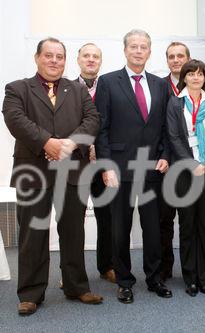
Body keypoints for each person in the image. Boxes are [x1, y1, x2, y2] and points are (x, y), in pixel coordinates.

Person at [2, 37, 103, 316]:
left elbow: (92, 120)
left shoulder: (78, 91)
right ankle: (31, 293)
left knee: (73, 231)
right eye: (49, 55)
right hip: (33, 171)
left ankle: (76, 287)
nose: (54, 61)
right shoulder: (17, 89)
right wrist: (48, 143)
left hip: (72, 170)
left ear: (65, 61)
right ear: (37, 58)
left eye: (60, 56)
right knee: (32, 232)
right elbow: (15, 119)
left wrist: (68, 145)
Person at [94, 29, 171, 304]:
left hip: (152, 168)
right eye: (134, 47)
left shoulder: (161, 85)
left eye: (143, 47)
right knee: (120, 228)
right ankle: (124, 281)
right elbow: (100, 129)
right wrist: (105, 166)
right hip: (119, 169)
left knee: (153, 228)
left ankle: (154, 279)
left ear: (149, 52)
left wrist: (165, 154)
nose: (138, 51)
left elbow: (165, 126)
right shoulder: (107, 82)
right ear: (125, 50)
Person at [166, 59, 205, 297]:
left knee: (204, 225)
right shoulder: (175, 103)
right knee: (187, 225)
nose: (195, 78)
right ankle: (190, 278)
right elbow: (173, 137)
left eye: (200, 74)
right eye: (191, 74)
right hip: (184, 172)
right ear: (184, 77)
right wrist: (192, 164)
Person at [159, 41, 205, 281]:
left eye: (180, 55)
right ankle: (177, 273)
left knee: (203, 223)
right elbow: (170, 133)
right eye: (171, 56)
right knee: (176, 222)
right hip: (176, 165)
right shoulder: (164, 90)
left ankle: (203, 276)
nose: (176, 59)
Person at [75, 43, 115, 284]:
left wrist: (99, 150)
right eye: (86, 56)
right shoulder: (66, 88)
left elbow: (112, 124)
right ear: (78, 59)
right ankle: (73, 273)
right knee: (73, 220)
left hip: (104, 162)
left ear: (100, 61)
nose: (91, 60)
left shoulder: (109, 87)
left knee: (107, 216)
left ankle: (106, 265)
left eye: (96, 57)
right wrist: (86, 147)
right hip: (76, 162)